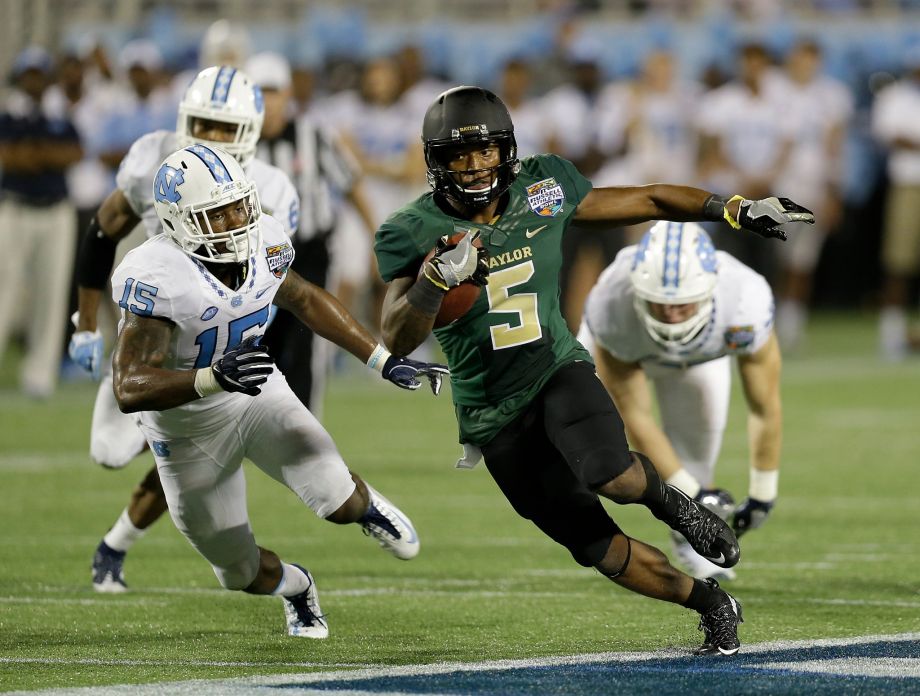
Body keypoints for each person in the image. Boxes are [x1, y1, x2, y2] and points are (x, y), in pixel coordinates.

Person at [374, 86, 813, 656]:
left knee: (610, 472)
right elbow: (396, 335)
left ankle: (679, 508)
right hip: (488, 412)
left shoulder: (543, 186)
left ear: (507, 149)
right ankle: (712, 604)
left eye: (486, 151)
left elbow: (651, 200)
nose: (476, 166)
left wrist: (732, 208)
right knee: (596, 547)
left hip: (555, 367)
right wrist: (434, 283)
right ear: (436, 161)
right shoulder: (411, 228)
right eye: (460, 155)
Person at [110, 143, 445, 637]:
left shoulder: (264, 238)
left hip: (255, 393)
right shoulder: (160, 276)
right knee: (238, 573)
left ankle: (365, 505)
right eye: (217, 213)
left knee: (337, 499)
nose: (236, 220)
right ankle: (298, 588)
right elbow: (128, 386)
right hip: (186, 431)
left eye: (239, 205)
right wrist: (210, 378)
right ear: (179, 222)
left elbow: (305, 299)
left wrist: (380, 358)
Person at [67, 66, 300, 593]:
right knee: (108, 450)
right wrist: (85, 323)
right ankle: (116, 542)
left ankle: (115, 545)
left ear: (250, 131)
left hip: (218, 340)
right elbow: (102, 231)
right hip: (150, 337)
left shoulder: (272, 190)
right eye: (202, 123)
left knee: (185, 452)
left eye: (224, 127)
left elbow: (275, 286)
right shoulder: (154, 158)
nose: (211, 137)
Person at [577, 221, 782, 582]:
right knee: (583, 443)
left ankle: (689, 539)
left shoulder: (744, 299)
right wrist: (693, 494)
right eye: (660, 303)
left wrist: (763, 492)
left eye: (682, 305)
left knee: (697, 452)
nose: (671, 314)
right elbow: (633, 413)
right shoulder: (613, 302)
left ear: (710, 289)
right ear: (639, 290)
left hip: (700, 356)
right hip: (628, 347)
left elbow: (764, 406)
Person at [0, 46, 83, 398]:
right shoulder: (9, 112)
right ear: (20, 77)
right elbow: (10, 157)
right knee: (4, 290)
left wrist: (33, 155)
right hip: (16, 209)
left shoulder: (59, 112)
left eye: (39, 73)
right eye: (28, 74)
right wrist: (42, 156)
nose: (33, 81)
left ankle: (40, 374)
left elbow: (74, 154)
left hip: (55, 211)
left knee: (51, 293)